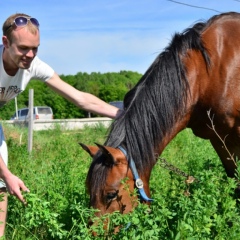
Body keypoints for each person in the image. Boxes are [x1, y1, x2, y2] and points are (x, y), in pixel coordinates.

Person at [0, 13, 121, 236]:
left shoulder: (33, 65)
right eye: (23, 48)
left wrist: (122, 114)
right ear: (5, 43)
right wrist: (6, 174)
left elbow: (79, 98)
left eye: (35, 48)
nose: (30, 55)